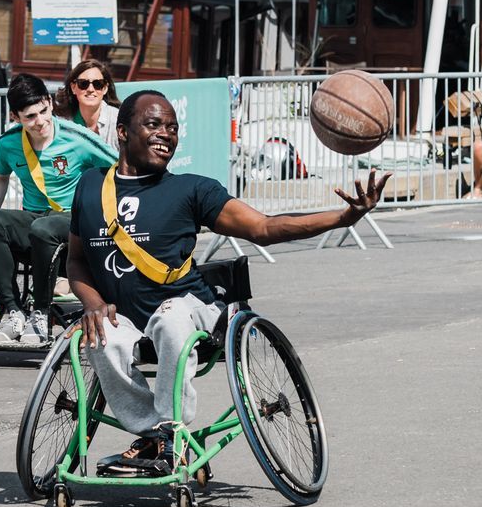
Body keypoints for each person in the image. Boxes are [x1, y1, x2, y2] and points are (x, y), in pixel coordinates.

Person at [67, 90, 391, 476]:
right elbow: (76, 260)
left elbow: (264, 227)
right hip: (130, 320)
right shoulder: (89, 186)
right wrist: (91, 302)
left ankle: (173, 437)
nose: (165, 134)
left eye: (172, 128)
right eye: (153, 124)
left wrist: (341, 218)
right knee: (101, 334)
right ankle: (152, 433)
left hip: (189, 311)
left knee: (170, 318)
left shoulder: (191, 189)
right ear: (122, 132)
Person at [0, 74, 117, 345]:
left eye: (43, 111)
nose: (40, 121)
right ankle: (13, 311)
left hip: (73, 220)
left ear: (49, 103)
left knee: (41, 228)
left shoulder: (77, 138)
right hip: (35, 217)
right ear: (15, 117)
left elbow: (119, 165)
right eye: (30, 117)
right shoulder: (9, 144)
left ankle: (41, 313)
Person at [52, 59, 120, 147]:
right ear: (73, 87)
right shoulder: (62, 122)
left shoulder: (118, 121)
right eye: (83, 83)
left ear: (105, 88)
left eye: (97, 84)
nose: (90, 89)